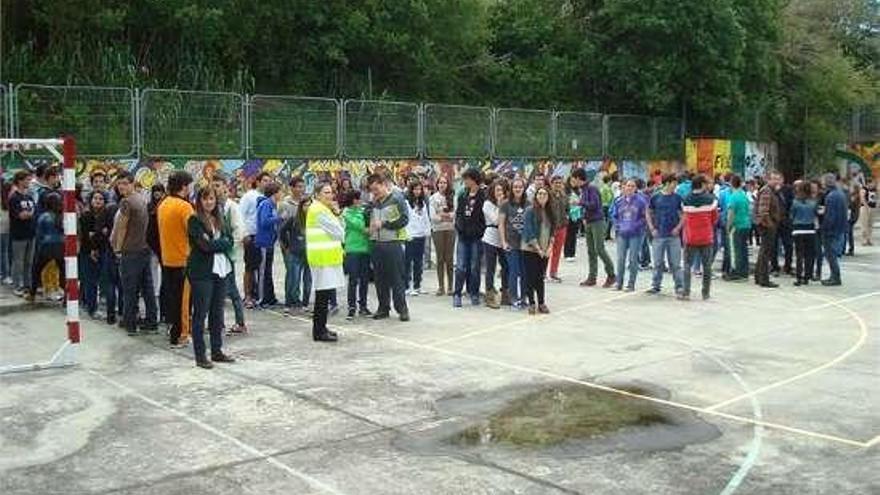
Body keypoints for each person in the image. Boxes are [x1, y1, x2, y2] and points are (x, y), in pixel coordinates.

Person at [186, 186, 236, 368]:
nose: (209, 202)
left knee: (217, 313)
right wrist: (221, 244)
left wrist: (218, 243)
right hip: (202, 272)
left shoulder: (220, 218)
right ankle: (200, 356)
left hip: (221, 270)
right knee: (200, 314)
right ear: (199, 201)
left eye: (212, 199)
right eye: (205, 199)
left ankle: (217, 350)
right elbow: (204, 246)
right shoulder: (194, 220)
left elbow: (230, 240)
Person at [111, 171, 159, 335]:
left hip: (130, 251)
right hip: (144, 249)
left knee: (129, 289)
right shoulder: (142, 199)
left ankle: (130, 323)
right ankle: (152, 321)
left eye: (125, 183)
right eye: (119, 184)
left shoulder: (126, 202)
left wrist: (117, 247)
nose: (121, 187)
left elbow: (123, 227)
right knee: (147, 287)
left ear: (132, 184)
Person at [158, 170, 195, 347]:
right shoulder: (184, 207)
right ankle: (181, 334)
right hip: (183, 259)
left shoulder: (163, 204)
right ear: (183, 186)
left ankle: (172, 330)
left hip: (167, 258)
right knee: (183, 302)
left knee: (172, 298)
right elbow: (194, 232)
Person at [367, 173, 410, 321]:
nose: (375, 192)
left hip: (392, 243)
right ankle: (383, 308)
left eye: (376, 188)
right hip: (376, 244)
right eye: (372, 190)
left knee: (396, 278)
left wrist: (385, 224)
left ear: (384, 184)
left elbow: (404, 219)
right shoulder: (373, 203)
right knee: (380, 278)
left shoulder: (396, 199)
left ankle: (402, 309)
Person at [307, 182, 347, 341]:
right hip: (322, 258)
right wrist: (338, 216)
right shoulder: (318, 210)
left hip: (327, 258)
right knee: (322, 296)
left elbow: (339, 229)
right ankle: (319, 331)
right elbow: (339, 232)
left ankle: (322, 327)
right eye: (326, 192)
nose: (330, 195)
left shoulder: (323, 209)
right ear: (317, 194)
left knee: (324, 295)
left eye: (331, 192)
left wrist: (337, 215)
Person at [212, 173, 248, 334]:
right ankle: (218, 323)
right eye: (213, 185)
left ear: (226, 187)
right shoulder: (212, 205)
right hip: (214, 253)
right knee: (216, 290)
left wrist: (229, 248)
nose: (215, 188)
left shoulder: (231, 207)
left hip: (226, 254)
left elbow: (239, 230)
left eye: (218, 185)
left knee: (231, 289)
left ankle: (240, 322)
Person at [573, 169, 616, 288]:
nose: (573, 181)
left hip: (597, 221)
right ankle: (592, 277)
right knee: (591, 251)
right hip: (589, 222)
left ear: (578, 178)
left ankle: (611, 274)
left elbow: (595, 204)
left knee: (599, 249)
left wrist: (580, 203)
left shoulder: (592, 188)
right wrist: (583, 216)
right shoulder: (583, 190)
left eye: (574, 179)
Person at [681, 175, 719, 301]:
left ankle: (686, 292)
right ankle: (705, 293)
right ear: (702, 184)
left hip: (690, 237)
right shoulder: (711, 200)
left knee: (687, 265)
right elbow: (714, 219)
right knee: (707, 266)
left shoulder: (685, 200)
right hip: (706, 237)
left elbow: (684, 217)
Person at [452, 168, 486, 307]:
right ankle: (457, 294)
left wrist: (478, 231)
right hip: (462, 236)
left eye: (467, 179)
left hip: (476, 237)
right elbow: (459, 214)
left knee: (474, 267)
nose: (465, 181)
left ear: (473, 179)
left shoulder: (483, 196)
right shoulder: (462, 195)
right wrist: (459, 227)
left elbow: (484, 218)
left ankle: (473, 293)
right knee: (460, 266)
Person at [646, 174, 684, 295]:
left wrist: (678, 227)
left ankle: (679, 286)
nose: (675, 186)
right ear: (667, 183)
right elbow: (648, 212)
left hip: (673, 236)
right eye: (674, 183)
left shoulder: (677, 198)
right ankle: (656, 285)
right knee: (657, 263)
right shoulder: (656, 197)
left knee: (675, 263)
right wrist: (652, 228)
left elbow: (683, 215)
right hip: (659, 235)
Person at [239, 172, 273, 307]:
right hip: (252, 236)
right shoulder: (249, 196)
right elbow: (240, 215)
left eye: (269, 181)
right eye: (265, 180)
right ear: (257, 182)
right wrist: (244, 234)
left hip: (265, 237)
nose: (267, 183)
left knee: (264, 268)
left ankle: (263, 296)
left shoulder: (268, 198)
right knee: (250, 267)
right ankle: (248, 296)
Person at [611, 179, 648, 292]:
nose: (630, 188)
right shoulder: (618, 201)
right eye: (628, 186)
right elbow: (614, 215)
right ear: (624, 187)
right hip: (622, 234)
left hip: (636, 234)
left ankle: (631, 284)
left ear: (636, 188)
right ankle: (619, 283)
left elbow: (645, 217)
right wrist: (618, 225)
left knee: (633, 259)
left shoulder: (641, 201)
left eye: (632, 186)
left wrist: (636, 225)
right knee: (621, 259)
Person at [522, 187, 555, 314]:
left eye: (544, 194)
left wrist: (548, 249)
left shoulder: (549, 212)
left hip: (545, 250)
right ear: (536, 196)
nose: (542, 196)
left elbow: (552, 232)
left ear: (548, 197)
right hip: (531, 249)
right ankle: (531, 303)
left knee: (540, 277)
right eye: (539, 193)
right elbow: (528, 231)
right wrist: (538, 249)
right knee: (530, 277)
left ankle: (541, 302)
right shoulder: (530, 211)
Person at [27, 193, 65, 302]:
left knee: (36, 269)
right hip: (61, 245)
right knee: (63, 272)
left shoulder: (44, 216)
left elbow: (39, 234)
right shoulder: (63, 216)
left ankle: (32, 293)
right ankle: (67, 296)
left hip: (46, 246)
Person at [341, 190, 371, 319]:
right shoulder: (346, 213)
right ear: (353, 200)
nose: (361, 202)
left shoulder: (362, 211)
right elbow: (361, 227)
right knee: (353, 279)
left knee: (364, 279)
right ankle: (352, 307)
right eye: (358, 199)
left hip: (365, 249)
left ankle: (363, 306)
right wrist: (372, 227)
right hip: (352, 249)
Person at [79, 191, 109, 318]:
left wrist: (97, 234)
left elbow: (105, 234)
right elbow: (86, 236)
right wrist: (98, 235)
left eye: (101, 199)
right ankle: (91, 308)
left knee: (100, 280)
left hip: (103, 251)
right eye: (95, 198)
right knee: (89, 281)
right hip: (88, 252)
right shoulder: (86, 216)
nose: (98, 201)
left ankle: (91, 304)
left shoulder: (106, 216)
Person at [279, 195, 311, 314]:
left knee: (308, 281)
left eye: (310, 204)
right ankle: (288, 303)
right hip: (295, 253)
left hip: (310, 254)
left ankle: (305, 303)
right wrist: (287, 246)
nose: (308, 207)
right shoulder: (293, 219)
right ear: (301, 206)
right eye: (306, 205)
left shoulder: (314, 219)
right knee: (293, 279)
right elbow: (282, 231)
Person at [499, 178, 528, 309]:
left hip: (525, 245)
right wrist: (503, 242)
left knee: (524, 272)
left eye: (520, 187)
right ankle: (513, 299)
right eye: (515, 187)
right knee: (514, 272)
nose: (517, 189)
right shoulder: (505, 204)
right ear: (511, 189)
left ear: (524, 188)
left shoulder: (528, 204)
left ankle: (523, 298)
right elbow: (501, 225)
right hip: (511, 244)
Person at [255, 181, 283, 308]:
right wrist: (279, 218)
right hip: (264, 243)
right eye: (279, 192)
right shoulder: (266, 204)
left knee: (268, 271)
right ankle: (261, 299)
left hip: (270, 243)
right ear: (274, 193)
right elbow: (264, 221)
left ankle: (270, 297)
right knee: (263, 271)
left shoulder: (273, 205)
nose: (281, 194)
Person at [8, 170, 37, 297]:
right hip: (19, 234)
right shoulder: (14, 197)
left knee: (29, 261)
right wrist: (29, 214)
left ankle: (27, 284)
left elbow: (33, 212)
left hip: (31, 233)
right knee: (18, 261)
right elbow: (21, 215)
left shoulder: (29, 197)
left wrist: (29, 214)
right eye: (26, 179)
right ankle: (16, 285)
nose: (29, 182)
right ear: (19, 181)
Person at [482, 179, 509, 309]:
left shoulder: (508, 203)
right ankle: (489, 295)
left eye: (502, 190)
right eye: (497, 190)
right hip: (491, 238)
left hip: (504, 238)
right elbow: (496, 220)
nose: (500, 192)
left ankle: (506, 293)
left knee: (506, 266)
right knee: (490, 268)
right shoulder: (487, 204)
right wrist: (499, 205)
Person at [754, 172, 784, 288]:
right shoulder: (767, 191)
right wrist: (770, 224)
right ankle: (764, 279)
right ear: (768, 180)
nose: (777, 181)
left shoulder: (771, 191)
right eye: (774, 179)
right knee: (766, 252)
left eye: (778, 179)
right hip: (767, 225)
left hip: (767, 224)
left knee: (763, 252)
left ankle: (759, 276)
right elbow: (764, 211)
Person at [429, 175, 455, 296]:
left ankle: (450, 286)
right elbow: (433, 217)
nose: (442, 185)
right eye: (440, 183)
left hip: (450, 230)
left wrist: (444, 215)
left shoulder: (452, 197)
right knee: (440, 258)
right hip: (438, 230)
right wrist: (445, 216)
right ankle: (441, 286)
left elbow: (455, 215)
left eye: (445, 183)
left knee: (449, 258)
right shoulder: (433, 198)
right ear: (437, 184)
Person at [820, 174, 848, 286]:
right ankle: (834, 276)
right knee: (832, 255)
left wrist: (824, 228)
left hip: (831, 230)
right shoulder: (841, 194)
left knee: (830, 255)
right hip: (840, 228)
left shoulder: (831, 196)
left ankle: (835, 277)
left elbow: (830, 216)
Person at [404, 181, 431, 296]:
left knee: (418, 262)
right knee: (407, 262)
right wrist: (406, 233)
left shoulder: (422, 203)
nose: (417, 192)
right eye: (415, 189)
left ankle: (417, 285)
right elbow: (405, 219)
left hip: (421, 235)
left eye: (419, 189)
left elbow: (425, 217)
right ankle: (406, 286)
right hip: (410, 236)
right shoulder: (406, 203)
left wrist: (427, 230)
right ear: (411, 190)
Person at [790, 181, 818, 286]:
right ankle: (807, 276)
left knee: (799, 254)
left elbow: (792, 215)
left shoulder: (795, 202)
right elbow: (816, 214)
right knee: (809, 254)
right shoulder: (813, 202)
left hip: (798, 229)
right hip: (810, 229)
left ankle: (798, 277)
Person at [725, 175, 752, 280]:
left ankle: (736, 271)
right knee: (743, 249)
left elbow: (731, 213)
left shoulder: (733, 196)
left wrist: (728, 226)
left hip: (737, 225)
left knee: (735, 249)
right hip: (746, 224)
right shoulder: (743, 195)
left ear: (731, 183)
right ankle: (744, 271)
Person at [147, 184, 165, 322]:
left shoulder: (165, 206)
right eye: (155, 191)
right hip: (153, 245)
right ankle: (155, 293)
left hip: (165, 245)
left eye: (159, 191)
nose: (157, 194)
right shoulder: (149, 206)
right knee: (153, 271)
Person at [546, 175, 569, 282]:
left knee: (557, 251)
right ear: (551, 184)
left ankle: (553, 272)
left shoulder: (564, 196)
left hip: (562, 227)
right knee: (547, 250)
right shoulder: (547, 196)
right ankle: (542, 272)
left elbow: (567, 209)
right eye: (556, 183)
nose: (558, 185)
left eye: (560, 183)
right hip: (549, 228)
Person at [564, 175, 582, 261]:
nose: (574, 182)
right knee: (568, 234)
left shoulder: (578, 191)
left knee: (574, 234)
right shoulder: (566, 191)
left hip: (576, 214)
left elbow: (580, 201)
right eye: (572, 181)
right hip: (568, 214)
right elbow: (565, 202)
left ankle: (572, 253)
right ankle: (567, 253)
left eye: (575, 181)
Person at [860, 178, 876, 246]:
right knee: (864, 224)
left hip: (872, 208)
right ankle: (864, 240)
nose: (873, 184)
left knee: (870, 225)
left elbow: (875, 198)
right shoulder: (864, 189)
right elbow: (862, 198)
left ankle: (869, 239)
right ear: (868, 183)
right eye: (872, 183)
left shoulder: (873, 190)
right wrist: (867, 207)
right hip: (865, 208)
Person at [845, 183, 860, 256]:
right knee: (849, 233)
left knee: (849, 234)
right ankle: (850, 248)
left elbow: (851, 206)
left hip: (851, 217)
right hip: (851, 216)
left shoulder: (855, 197)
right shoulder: (852, 196)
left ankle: (851, 249)